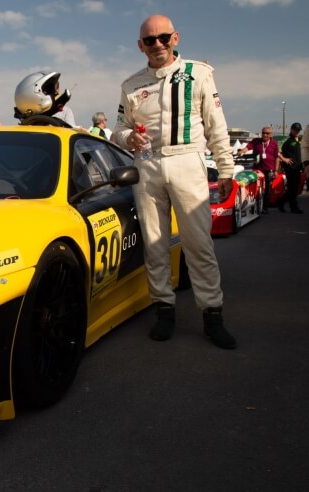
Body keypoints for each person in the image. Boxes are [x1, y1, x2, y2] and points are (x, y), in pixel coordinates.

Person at [111, 14, 237, 349]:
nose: (157, 45)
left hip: (187, 160)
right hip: (148, 166)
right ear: (140, 46)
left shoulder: (199, 74)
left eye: (163, 37)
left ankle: (212, 313)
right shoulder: (131, 85)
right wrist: (128, 140)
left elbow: (216, 126)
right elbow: (118, 129)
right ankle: (163, 310)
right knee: (155, 244)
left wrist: (225, 169)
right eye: (149, 40)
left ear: (175, 38)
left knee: (198, 243)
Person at [237, 126, 280, 211]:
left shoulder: (274, 143)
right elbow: (248, 147)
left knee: (267, 189)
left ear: (271, 134)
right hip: (258, 169)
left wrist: (276, 170)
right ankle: (254, 205)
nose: (265, 135)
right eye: (263, 133)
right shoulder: (256, 141)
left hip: (269, 170)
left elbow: (277, 157)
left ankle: (265, 207)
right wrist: (241, 151)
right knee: (256, 187)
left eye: (267, 133)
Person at [276, 122, 303, 213]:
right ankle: (293, 206)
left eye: (298, 130)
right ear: (291, 130)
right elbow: (280, 153)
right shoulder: (289, 142)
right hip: (291, 168)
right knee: (293, 188)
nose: (297, 132)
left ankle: (281, 202)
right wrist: (285, 160)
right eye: (295, 130)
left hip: (297, 168)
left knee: (294, 188)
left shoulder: (296, 141)